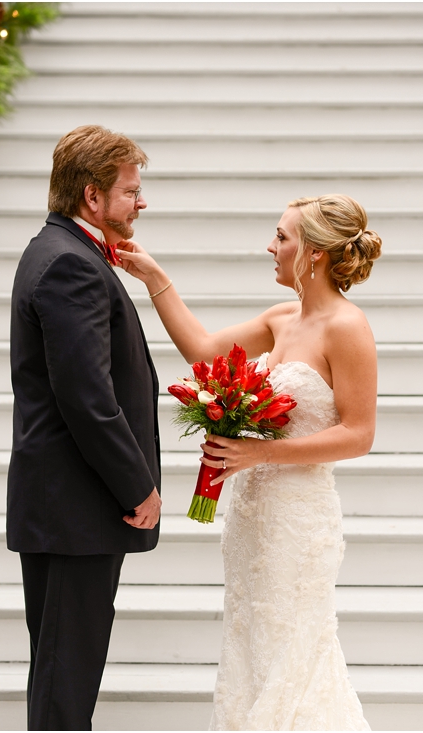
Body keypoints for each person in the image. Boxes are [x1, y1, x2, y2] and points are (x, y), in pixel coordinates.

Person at [117, 193, 380, 730]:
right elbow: (202, 349)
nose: (271, 245)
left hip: (298, 521)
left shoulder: (347, 328)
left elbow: (358, 434)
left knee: (296, 653)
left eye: (282, 237)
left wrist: (260, 452)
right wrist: (152, 276)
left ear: (316, 254)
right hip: (251, 517)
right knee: (252, 646)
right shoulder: (283, 318)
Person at [7, 124, 163, 730]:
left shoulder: (60, 252)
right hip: (76, 509)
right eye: (130, 190)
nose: (140, 201)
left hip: (64, 508)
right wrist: (137, 485)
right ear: (93, 197)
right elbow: (87, 398)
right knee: (64, 689)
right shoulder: (70, 264)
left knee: (60, 678)